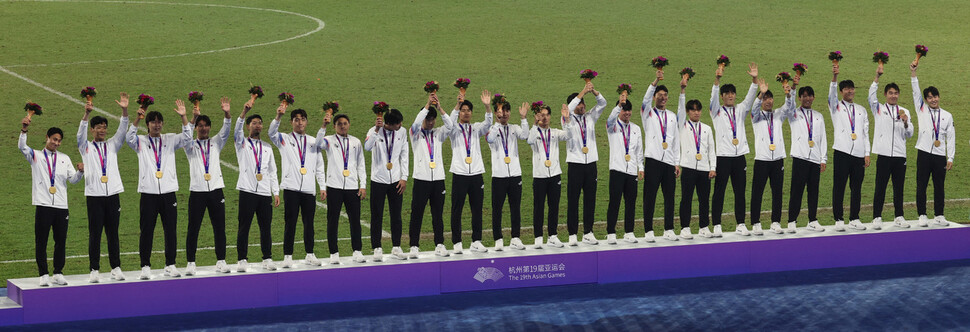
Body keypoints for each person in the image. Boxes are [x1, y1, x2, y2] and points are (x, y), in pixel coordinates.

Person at [126, 99, 192, 280]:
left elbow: (187, 138)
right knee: (147, 230)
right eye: (153, 122)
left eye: (159, 122)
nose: (157, 125)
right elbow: (128, 138)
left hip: (168, 192)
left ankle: (170, 264)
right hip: (148, 193)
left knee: (170, 229)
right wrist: (137, 119)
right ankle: (145, 266)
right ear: (147, 124)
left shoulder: (170, 139)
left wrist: (184, 117)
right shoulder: (140, 141)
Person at [21, 117, 83, 286]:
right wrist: (24, 130)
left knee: (61, 241)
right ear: (47, 137)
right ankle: (43, 274)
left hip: (62, 206)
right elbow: (22, 147)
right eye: (54, 139)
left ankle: (58, 272)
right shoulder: (36, 156)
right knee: (41, 241)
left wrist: (80, 172)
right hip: (43, 205)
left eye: (59, 141)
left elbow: (73, 180)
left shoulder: (64, 158)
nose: (57, 143)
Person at [78, 93, 129, 283]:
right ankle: (94, 270)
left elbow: (123, 130)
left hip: (113, 194)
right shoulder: (85, 147)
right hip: (94, 196)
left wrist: (124, 110)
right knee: (95, 234)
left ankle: (116, 267)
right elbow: (79, 135)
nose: (102, 130)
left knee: (113, 233)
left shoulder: (113, 145)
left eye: (105, 128)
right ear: (92, 130)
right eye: (99, 127)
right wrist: (86, 114)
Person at [269, 105, 327, 267]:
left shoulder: (314, 141)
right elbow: (271, 133)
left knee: (309, 222)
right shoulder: (284, 139)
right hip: (291, 188)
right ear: (291, 122)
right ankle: (288, 256)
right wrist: (278, 116)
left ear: (307, 122)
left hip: (309, 189)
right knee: (291, 222)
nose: (299, 122)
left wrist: (322, 186)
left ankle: (310, 253)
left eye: (302, 119)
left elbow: (319, 165)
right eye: (296, 120)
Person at [183, 97, 232, 275]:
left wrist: (227, 113)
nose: (203, 128)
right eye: (200, 125)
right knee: (193, 228)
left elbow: (226, 130)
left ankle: (221, 260)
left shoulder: (216, 143)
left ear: (209, 127)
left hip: (216, 190)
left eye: (206, 125)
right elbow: (185, 135)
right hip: (197, 192)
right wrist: (192, 118)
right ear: (196, 128)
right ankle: (190, 263)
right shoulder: (189, 146)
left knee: (219, 227)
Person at [710, 63, 760, 235]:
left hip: (740, 157)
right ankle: (716, 224)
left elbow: (750, 97)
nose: (730, 96)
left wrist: (754, 79)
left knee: (740, 191)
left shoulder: (740, 109)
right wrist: (717, 79)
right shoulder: (716, 111)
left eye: (732, 94)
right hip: (723, 156)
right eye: (727, 94)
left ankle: (740, 223)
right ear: (722, 96)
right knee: (719, 191)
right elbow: (712, 98)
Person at [234, 101, 281, 272]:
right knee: (244, 226)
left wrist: (275, 192)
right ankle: (241, 259)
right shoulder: (241, 143)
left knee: (265, 227)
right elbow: (236, 131)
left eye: (260, 123)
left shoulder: (267, 148)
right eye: (254, 123)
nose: (258, 125)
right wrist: (244, 112)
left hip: (264, 193)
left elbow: (272, 171)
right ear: (248, 126)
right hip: (247, 191)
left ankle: (267, 258)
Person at [444, 90, 493, 254]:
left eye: (468, 110)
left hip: (476, 174)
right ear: (460, 113)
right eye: (463, 110)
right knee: (457, 209)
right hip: (459, 173)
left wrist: (487, 107)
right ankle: (457, 242)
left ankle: (476, 241)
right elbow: (448, 123)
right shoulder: (453, 129)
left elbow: (488, 124)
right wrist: (457, 105)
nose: (466, 113)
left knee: (477, 209)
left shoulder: (476, 128)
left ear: (472, 113)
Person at [869, 63, 913, 229]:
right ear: (886, 94)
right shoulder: (879, 109)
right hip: (884, 154)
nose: (893, 96)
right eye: (890, 93)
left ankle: (899, 216)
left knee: (899, 188)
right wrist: (877, 76)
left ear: (899, 95)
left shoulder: (904, 111)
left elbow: (910, 134)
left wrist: (906, 122)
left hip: (900, 155)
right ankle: (876, 217)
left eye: (896, 93)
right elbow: (870, 96)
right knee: (880, 187)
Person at [911, 61, 955, 227]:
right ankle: (922, 214)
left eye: (935, 96)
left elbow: (951, 137)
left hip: (939, 156)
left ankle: (939, 215)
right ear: (926, 99)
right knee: (921, 184)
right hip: (923, 153)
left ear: (939, 97)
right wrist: (914, 74)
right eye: (930, 97)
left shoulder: (947, 116)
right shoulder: (921, 109)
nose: (933, 99)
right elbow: (915, 92)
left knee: (939, 186)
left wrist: (950, 157)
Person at [408, 93, 453, 258]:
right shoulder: (415, 134)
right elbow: (415, 123)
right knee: (417, 213)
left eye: (433, 119)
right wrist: (427, 105)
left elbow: (450, 126)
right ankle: (414, 246)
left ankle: (440, 244)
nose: (431, 122)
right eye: (428, 119)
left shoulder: (438, 133)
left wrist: (439, 108)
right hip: (421, 179)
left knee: (438, 214)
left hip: (438, 179)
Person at [319, 114, 368, 264]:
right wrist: (323, 126)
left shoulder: (356, 142)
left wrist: (363, 185)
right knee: (332, 221)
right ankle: (333, 253)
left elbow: (361, 164)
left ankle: (357, 251)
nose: (342, 126)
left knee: (355, 220)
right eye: (339, 124)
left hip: (352, 187)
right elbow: (318, 145)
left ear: (349, 124)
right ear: (334, 126)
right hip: (334, 186)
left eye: (345, 123)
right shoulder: (328, 140)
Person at [829, 62, 871, 232]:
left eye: (852, 88)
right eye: (846, 89)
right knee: (839, 186)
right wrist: (835, 77)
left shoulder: (861, 110)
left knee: (857, 187)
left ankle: (854, 217)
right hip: (842, 152)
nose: (850, 91)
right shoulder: (836, 106)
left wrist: (867, 153)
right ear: (841, 92)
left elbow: (866, 133)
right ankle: (839, 219)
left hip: (859, 154)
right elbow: (831, 94)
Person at [363, 108, 409, 261]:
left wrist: (404, 177)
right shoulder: (374, 131)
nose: (401, 125)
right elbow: (367, 147)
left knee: (396, 215)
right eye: (398, 123)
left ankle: (396, 246)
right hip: (378, 180)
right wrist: (376, 129)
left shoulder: (401, 132)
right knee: (377, 215)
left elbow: (404, 154)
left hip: (396, 180)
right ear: (389, 124)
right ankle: (377, 248)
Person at [565, 82, 608, 245]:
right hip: (575, 164)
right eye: (580, 103)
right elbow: (569, 108)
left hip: (591, 164)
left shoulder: (590, 116)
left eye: (584, 103)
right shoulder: (567, 118)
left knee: (590, 199)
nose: (582, 106)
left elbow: (603, 103)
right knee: (573, 200)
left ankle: (588, 232)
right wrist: (583, 91)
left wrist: (594, 92)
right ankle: (572, 234)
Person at [641, 70, 681, 241]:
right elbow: (644, 100)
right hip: (653, 160)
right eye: (660, 95)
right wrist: (656, 80)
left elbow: (675, 141)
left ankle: (669, 229)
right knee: (650, 196)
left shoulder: (672, 116)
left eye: (665, 95)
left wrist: (677, 163)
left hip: (669, 162)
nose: (663, 98)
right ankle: (648, 230)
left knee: (669, 196)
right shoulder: (648, 113)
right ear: (654, 97)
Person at [750, 78, 794, 234]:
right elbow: (753, 108)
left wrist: (788, 94)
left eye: (770, 98)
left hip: (777, 159)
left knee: (777, 192)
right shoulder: (756, 117)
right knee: (758, 192)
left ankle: (775, 222)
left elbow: (789, 107)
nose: (768, 101)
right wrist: (760, 94)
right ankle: (755, 222)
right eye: (765, 98)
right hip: (762, 159)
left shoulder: (778, 115)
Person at [485, 99, 529, 251]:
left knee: (515, 207)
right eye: (501, 112)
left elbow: (525, 136)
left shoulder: (514, 128)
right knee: (497, 208)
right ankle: (498, 239)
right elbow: (490, 139)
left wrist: (523, 118)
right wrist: (497, 122)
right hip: (499, 176)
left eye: (506, 111)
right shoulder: (491, 129)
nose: (504, 114)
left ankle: (515, 237)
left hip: (515, 174)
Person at [527, 103, 572, 249]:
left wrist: (567, 120)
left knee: (554, 206)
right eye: (541, 115)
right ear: (537, 116)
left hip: (554, 175)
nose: (544, 117)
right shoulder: (534, 132)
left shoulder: (555, 132)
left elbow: (569, 135)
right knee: (538, 207)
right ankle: (538, 237)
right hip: (539, 176)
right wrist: (534, 123)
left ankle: (553, 236)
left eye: (546, 115)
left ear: (550, 116)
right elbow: (529, 140)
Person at [785, 84, 828, 233]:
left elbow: (823, 138)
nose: (807, 99)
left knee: (813, 191)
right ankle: (791, 221)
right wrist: (792, 89)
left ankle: (812, 220)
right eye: (804, 96)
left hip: (815, 159)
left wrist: (824, 159)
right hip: (800, 157)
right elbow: (789, 106)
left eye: (810, 96)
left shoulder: (818, 116)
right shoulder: (794, 114)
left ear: (814, 97)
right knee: (796, 191)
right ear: (800, 98)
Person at [605, 91, 644, 244]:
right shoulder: (613, 127)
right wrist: (619, 104)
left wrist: (641, 167)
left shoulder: (636, 129)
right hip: (617, 169)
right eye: (624, 109)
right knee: (615, 202)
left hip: (631, 170)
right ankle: (611, 233)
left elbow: (639, 150)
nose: (627, 113)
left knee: (631, 203)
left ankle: (629, 231)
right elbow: (609, 120)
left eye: (628, 110)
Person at [678, 96, 717, 239]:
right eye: (693, 110)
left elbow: (712, 149)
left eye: (698, 110)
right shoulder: (682, 125)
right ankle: (685, 227)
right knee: (686, 198)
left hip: (704, 168)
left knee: (704, 199)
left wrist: (712, 167)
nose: (696, 113)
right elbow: (680, 110)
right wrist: (682, 92)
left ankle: (704, 226)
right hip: (688, 167)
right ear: (688, 112)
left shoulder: (706, 129)